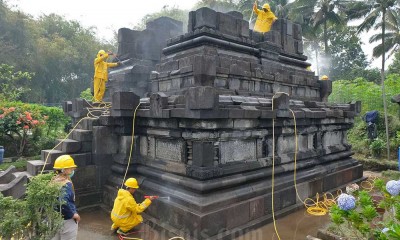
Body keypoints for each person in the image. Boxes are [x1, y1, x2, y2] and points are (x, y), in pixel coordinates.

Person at [51, 155, 80, 240]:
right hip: (67, 221)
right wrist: (73, 214)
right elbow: (63, 201)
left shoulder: (53, 180)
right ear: (64, 170)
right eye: (71, 168)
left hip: (54, 217)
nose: (72, 170)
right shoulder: (66, 184)